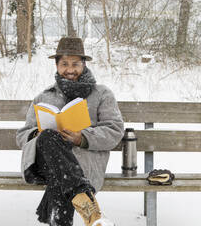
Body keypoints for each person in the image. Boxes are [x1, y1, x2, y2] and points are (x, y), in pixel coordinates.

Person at [16, 37, 124, 226]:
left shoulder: (101, 94)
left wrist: (82, 138)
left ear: (84, 65)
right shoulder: (43, 97)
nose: (70, 69)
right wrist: (37, 135)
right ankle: (90, 210)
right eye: (64, 64)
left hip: (82, 163)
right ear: (57, 65)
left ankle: (70, 214)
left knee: (61, 178)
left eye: (75, 64)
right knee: (49, 138)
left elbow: (114, 130)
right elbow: (23, 135)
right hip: (46, 163)